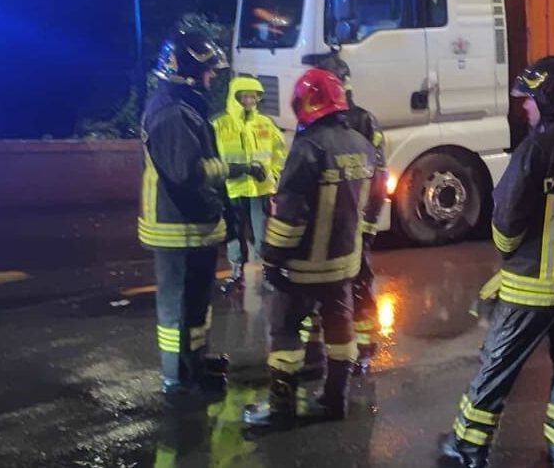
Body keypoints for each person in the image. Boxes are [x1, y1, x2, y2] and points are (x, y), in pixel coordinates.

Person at [439, 56, 554, 468]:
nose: (524, 106)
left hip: (530, 290)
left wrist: (514, 255)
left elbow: (505, 223)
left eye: (529, 99)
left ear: (548, 99)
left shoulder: (534, 150)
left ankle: (466, 450)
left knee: (497, 369)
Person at [244, 67, 385, 427]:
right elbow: (373, 201)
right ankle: (335, 399)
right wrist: (362, 242)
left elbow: (290, 212)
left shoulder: (308, 149)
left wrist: (272, 258)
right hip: (344, 265)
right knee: (340, 327)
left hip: (303, 266)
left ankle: (281, 407)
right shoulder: (363, 145)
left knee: (286, 330)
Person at [140, 31, 259, 398]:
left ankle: (195, 362)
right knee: (178, 308)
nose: (212, 77)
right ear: (189, 71)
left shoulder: (183, 106)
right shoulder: (174, 113)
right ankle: (178, 379)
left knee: (195, 303)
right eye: (208, 71)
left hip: (191, 224)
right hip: (176, 225)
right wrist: (232, 169)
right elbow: (187, 172)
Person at [299, 51, 389, 376]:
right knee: (315, 288)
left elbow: (380, 177)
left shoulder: (363, 121)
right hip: (323, 226)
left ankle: (363, 348)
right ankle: (314, 349)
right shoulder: (312, 119)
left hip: (353, 225)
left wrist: (366, 225)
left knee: (359, 285)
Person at [211, 76, 287, 293]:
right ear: (235, 98)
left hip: (260, 188)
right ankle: (236, 273)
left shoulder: (265, 123)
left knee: (263, 232)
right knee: (234, 233)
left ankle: (267, 271)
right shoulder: (219, 125)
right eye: (244, 96)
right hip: (232, 188)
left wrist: (272, 175)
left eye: (253, 96)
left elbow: (279, 153)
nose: (249, 101)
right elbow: (213, 156)